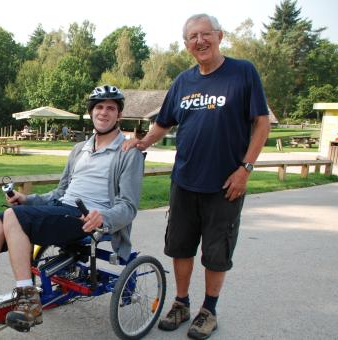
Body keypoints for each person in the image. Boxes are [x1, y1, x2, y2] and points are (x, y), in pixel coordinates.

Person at [0, 85, 145, 332]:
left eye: (110, 108)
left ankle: (28, 299)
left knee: (11, 217)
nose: (104, 112)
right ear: (91, 112)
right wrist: (28, 200)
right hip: (62, 209)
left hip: (87, 217)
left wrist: (104, 216)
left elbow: (129, 206)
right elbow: (60, 192)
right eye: (99, 107)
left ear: (119, 115)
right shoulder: (80, 149)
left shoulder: (128, 153)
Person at [122, 14, 270, 340]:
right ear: (186, 44)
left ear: (219, 36)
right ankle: (181, 302)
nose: (199, 41)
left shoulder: (242, 72)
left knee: (217, 253)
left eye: (205, 34)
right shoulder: (183, 82)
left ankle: (209, 310)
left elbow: (262, 122)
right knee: (180, 247)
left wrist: (245, 169)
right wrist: (144, 141)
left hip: (226, 184)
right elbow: (164, 121)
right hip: (185, 181)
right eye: (192, 37)